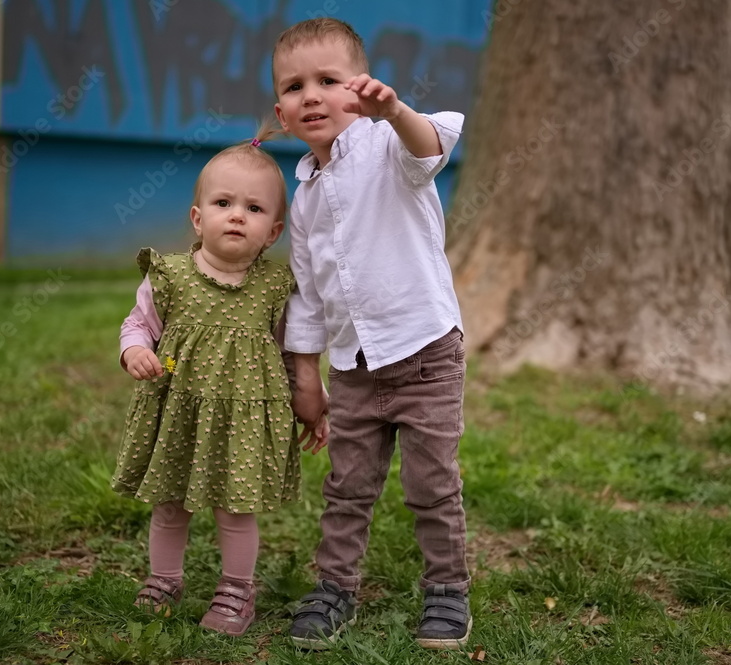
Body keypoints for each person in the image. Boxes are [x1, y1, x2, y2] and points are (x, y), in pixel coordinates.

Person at [272, 18, 472, 650]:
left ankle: (446, 591)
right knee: (347, 486)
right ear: (279, 112)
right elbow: (305, 296)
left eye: (328, 81)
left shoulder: (389, 146)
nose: (311, 95)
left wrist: (396, 110)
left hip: (424, 354)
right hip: (353, 369)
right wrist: (305, 377)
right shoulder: (302, 200)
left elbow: (433, 144)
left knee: (431, 483)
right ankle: (335, 588)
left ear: (358, 90)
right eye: (294, 86)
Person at [110, 123, 328, 637]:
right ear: (197, 217)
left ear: (274, 231)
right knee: (169, 503)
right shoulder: (170, 274)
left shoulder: (277, 286)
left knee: (237, 508)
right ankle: (164, 578)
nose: (237, 215)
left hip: (245, 418)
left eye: (254, 209)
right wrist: (135, 349)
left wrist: (314, 403)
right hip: (179, 410)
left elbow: (294, 350)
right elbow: (138, 321)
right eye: (224, 203)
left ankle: (236, 589)